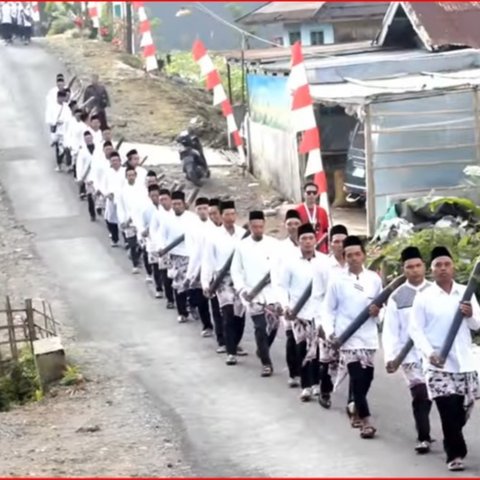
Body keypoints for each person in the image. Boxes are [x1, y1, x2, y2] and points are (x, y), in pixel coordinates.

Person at [409, 246, 480, 471]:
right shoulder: (424, 297)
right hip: (438, 364)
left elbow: (477, 325)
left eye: (446, 264)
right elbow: (416, 330)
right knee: (447, 409)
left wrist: (470, 315)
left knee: (460, 410)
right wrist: (431, 353)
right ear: (431, 271)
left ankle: (453, 437)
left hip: (464, 363)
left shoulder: (465, 294)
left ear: (453, 267)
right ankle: (455, 454)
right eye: (438, 265)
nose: (442, 269)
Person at [323, 235, 382, 439]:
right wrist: (331, 332)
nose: (354, 258)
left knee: (367, 378)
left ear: (364, 256)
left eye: (357, 254)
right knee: (356, 377)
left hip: (369, 337)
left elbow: (382, 308)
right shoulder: (337, 281)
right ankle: (366, 420)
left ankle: (355, 406)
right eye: (349, 255)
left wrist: (378, 313)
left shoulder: (374, 279)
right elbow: (328, 310)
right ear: (344, 257)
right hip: (347, 338)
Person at [382, 246, 433, 454]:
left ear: (424, 267)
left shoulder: (435, 291)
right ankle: (423, 437)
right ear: (404, 270)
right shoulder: (396, 297)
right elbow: (390, 331)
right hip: (409, 356)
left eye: (418, 266)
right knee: (420, 394)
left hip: (435, 355)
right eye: (409, 267)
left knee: (442, 398)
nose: (414, 270)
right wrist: (391, 357)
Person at [279, 223, 329, 401]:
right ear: (298, 241)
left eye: (310, 238)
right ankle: (305, 385)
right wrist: (285, 306)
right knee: (301, 348)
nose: (307, 242)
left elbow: (329, 288)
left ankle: (316, 383)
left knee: (316, 350)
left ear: (315, 240)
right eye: (303, 239)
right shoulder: (290, 262)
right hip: (298, 313)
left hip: (318, 312)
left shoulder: (324, 261)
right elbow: (281, 286)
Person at [231, 210, 280, 377]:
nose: (258, 230)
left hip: (272, 293)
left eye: (260, 227)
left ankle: (263, 348)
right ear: (250, 226)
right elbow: (236, 271)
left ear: (264, 225)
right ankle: (266, 363)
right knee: (259, 327)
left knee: (273, 326)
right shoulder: (241, 246)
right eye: (254, 227)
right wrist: (242, 290)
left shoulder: (274, 244)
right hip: (252, 295)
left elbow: (280, 270)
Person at [202, 200, 247, 363]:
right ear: (221, 216)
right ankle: (231, 351)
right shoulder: (213, 236)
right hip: (223, 280)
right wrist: (206, 282)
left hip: (240, 279)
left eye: (233, 213)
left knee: (239, 316)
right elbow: (207, 260)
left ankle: (235, 343)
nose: (230, 217)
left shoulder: (243, 234)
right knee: (227, 314)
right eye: (227, 214)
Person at [159, 190, 197, 323]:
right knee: (177, 284)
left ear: (184, 204)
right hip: (175, 255)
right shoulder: (167, 219)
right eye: (174, 204)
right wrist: (162, 248)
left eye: (179, 204)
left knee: (191, 283)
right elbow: (162, 236)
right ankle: (182, 312)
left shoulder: (192, 218)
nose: (176, 206)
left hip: (190, 255)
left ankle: (192, 305)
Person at [274, 209, 302, 388]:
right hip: (288, 298)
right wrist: (280, 301)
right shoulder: (280, 248)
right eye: (290, 224)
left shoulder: (307, 244)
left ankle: (307, 374)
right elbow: (276, 277)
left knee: (306, 340)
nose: (293, 227)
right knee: (291, 336)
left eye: (296, 224)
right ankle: (293, 373)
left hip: (305, 299)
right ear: (285, 226)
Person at [185, 197, 215, 337]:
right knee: (201, 299)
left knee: (215, 301)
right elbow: (193, 252)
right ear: (195, 210)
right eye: (200, 209)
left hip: (214, 268)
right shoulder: (192, 228)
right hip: (198, 266)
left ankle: (222, 333)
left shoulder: (215, 225)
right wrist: (192, 272)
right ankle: (207, 325)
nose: (203, 211)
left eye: (205, 208)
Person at [117, 166, 148, 273]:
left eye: (132, 175)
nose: (131, 177)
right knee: (132, 243)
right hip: (128, 221)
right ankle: (135, 265)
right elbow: (120, 207)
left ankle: (138, 256)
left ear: (136, 176)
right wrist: (123, 220)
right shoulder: (122, 191)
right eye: (128, 175)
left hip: (139, 219)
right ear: (126, 177)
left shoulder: (142, 189)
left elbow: (144, 204)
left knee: (141, 243)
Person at [205, 198, 225, 352]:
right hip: (215, 277)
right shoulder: (208, 233)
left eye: (215, 213)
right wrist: (205, 282)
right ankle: (222, 341)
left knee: (234, 314)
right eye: (210, 214)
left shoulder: (233, 232)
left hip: (231, 279)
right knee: (217, 310)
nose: (212, 217)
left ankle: (232, 341)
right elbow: (205, 259)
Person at [150, 188, 175, 309]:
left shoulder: (176, 212)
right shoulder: (157, 214)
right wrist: (158, 245)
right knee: (166, 275)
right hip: (163, 248)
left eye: (165, 199)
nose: (163, 202)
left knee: (178, 275)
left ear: (170, 199)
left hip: (178, 249)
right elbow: (153, 231)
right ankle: (170, 299)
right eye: (161, 200)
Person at [295, 182, 329, 254]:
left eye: (314, 193)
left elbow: (325, 231)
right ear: (304, 194)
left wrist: (325, 247)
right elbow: (295, 232)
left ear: (317, 195)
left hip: (321, 249)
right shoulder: (297, 211)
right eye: (309, 192)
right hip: (304, 248)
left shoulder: (322, 211)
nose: (311, 195)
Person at [76, 131, 100, 221]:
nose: (88, 139)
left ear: (92, 138)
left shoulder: (98, 149)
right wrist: (80, 177)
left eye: (89, 138)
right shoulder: (82, 151)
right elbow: (79, 165)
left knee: (98, 193)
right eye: (86, 138)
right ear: (84, 140)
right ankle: (92, 214)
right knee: (90, 195)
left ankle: (99, 208)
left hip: (98, 175)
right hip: (88, 176)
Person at [45, 89, 71, 172]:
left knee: (65, 147)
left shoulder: (66, 107)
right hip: (56, 130)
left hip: (64, 130)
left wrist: (64, 122)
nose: (63, 100)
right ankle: (59, 165)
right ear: (58, 97)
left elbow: (69, 118)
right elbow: (48, 118)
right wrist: (55, 122)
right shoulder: (52, 106)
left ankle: (67, 164)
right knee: (57, 147)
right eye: (62, 98)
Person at [103, 151, 124, 247]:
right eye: (113, 161)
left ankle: (127, 240)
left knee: (123, 219)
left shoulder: (125, 172)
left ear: (120, 161)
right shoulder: (107, 173)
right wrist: (107, 194)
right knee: (111, 219)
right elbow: (104, 186)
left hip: (123, 200)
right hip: (111, 199)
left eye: (116, 160)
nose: (115, 162)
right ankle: (115, 239)